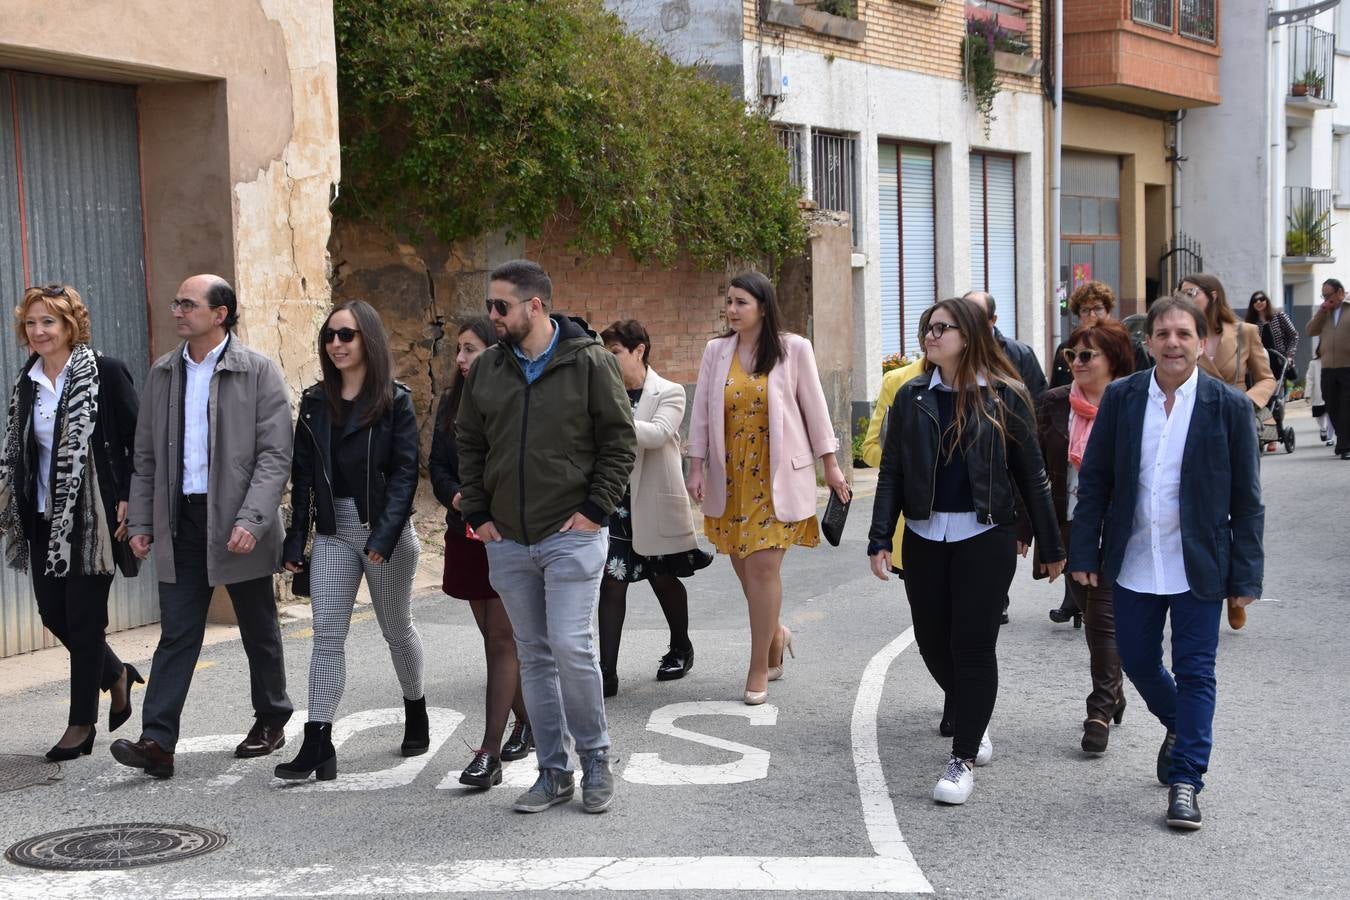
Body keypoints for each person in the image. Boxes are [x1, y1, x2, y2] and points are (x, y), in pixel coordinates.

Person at [1068, 294, 1263, 831]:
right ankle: (1182, 726)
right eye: (1163, 334)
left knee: (1197, 671)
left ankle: (1186, 781)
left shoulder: (1229, 407)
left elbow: (1247, 502)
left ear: (1202, 343)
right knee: (1134, 660)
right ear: (1148, 342)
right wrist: (1085, 549)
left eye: (1184, 334)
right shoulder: (1125, 399)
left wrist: (1245, 576)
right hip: (1133, 559)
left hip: (1199, 564)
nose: (1173, 343)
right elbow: (1098, 482)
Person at [868, 297, 1064, 806]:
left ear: (969, 334)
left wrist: (1051, 543)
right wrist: (877, 537)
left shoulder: (1007, 396)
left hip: (986, 536)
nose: (931, 336)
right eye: (927, 328)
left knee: (973, 645)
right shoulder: (911, 397)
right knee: (934, 642)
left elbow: (1033, 476)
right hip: (925, 537)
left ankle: (963, 757)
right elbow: (891, 473)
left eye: (942, 328)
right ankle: (973, 715)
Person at [456, 259, 636, 815]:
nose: (493, 315)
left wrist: (594, 509)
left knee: (570, 646)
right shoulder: (489, 369)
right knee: (534, 654)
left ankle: (597, 761)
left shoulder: (590, 364)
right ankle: (553, 772)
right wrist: (480, 513)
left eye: (501, 306)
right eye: (491, 305)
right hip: (507, 539)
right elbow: (469, 441)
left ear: (535, 306)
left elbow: (619, 441)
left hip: (572, 534)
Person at [111, 275, 294, 780]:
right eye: (176, 302)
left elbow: (276, 455)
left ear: (221, 313)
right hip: (179, 520)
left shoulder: (257, 371)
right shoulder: (163, 372)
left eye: (188, 304)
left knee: (258, 627)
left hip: (238, 519)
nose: (178, 311)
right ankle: (157, 741)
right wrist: (144, 520)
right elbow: (145, 457)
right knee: (177, 633)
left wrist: (253, 519)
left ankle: (272, 718)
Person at [275, 300, 425, 782]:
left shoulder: (396, 400)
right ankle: (318, 740)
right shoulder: (317, 402)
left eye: (347, 335)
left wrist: (384, 534)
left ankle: (416, 707)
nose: (335, 344)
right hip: (335, 533)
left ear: (369, 341)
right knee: (327, 637)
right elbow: (302, 476)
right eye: (329, 336)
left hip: (386, 532)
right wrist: (296, 540)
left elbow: (405, 475)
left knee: (395, 629)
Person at [686, 271, 849, 706]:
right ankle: (776, 632)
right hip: (730, 476)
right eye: (729, 301)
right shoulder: (716, 351)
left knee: (762, 572)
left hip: (776, 476)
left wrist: (830, 466)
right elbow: (701, 412)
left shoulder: (793, 349)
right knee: (744, 570)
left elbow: (815, 408)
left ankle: (758, 666)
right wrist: (695, 465)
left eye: (741, 302)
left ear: (762, 305)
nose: (732, 309)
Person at [0, 284, 143, 761]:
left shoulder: (105, 371)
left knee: (83, 622)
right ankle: (116, 674)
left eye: (49, 322)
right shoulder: (28, 381)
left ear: (70, 326)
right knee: (53, 615)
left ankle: (80, 725)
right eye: (32, 323)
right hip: (43, 517)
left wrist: (130, 497)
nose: (39, 331)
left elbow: (138, 443)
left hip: (96, 521)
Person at [429, 317, 532, 790]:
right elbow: (438, 465)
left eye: (469, 349)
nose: (460, 359)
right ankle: (530, 722)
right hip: (465, 532)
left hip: (506, 533)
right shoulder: (452, 401)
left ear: (493, 352)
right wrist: (456, 498)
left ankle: (489, 750)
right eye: (457, 350)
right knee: (493, 639)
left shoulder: (514, 396)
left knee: (500, 639)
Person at [597, 319, 712, 698]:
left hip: (653, 501)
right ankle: (606, 672)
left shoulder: (670, 392)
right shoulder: (603, 391)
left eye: (615, 353)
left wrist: (611, 415)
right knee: (612, 582)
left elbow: (658, 433)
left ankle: (681, 647)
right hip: (615, 502)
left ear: (639, 350)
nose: (610, 361)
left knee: (663, 578)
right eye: (606, 354)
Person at [1035, 319, 1134, 752]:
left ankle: (1098, 709)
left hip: (1118, 527)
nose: (1076, 362)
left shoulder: (1134, 403)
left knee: (1103, 618)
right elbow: (1034, 469)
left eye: (1086, 355)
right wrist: (1031, 529)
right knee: (1084, 605)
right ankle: (1116, 691)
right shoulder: (1054, 404)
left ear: (1113, 361)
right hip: (1070, 526)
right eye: (1071, 355)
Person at [962, 289, 1047, 626]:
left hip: (1009, 453)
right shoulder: (957, 351)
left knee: (1004, 525)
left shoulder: (1019, 354)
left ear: (993, 321)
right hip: (973, 453)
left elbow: (1036, 402)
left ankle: (997, 593)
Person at [1048, 281, 1152, 389]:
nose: (1092, 315)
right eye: (1085, 310)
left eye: (1098, 309)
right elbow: (1055, 391)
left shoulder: (1130, 348)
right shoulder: (1067, 349)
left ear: (1108, 311)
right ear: (1078, 315)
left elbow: (1143, 389)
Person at [962, 290, 1048, 402]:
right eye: (964, 316)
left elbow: (1038, 399)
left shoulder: (1020, 353)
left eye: (978, 316)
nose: (970, 322)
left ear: (993, 320)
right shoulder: (951, 352)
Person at [1245, 290, 1299, 453]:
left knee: (1276, 400)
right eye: (1255, 300)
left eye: (1262, 299)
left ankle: (1273, 436)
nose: (1259, 302)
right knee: (1263, 400)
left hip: (1279, 363)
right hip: (1260, 364)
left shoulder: (1279, 316)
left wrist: (1289, 356)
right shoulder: (1252, 323)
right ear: (1252, 305)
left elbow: (1294, 336)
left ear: (1267, 301)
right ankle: (1266, 433)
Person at [1308, 277, 1350, 460]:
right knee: (1331, 405)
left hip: (1348, 366)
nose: (1326, 299)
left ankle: (1344, 446)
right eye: (1323, 296)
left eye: (1329, 295)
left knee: (1346, 407)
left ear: (1340, 293)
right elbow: (1310, 331)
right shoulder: (1324, 312)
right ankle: (1344, 440)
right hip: (1328, 367)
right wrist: (1321, 312)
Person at [1307, 336, 1336, 446]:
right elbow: (1309, 379)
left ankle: (1329, 437)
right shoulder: (1313, 363)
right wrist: (1307, 394)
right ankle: (1323, 429)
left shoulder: (1335, 361)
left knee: (1331, 415)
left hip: (1331, 393)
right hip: (1318, 395)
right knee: (1320, 415)